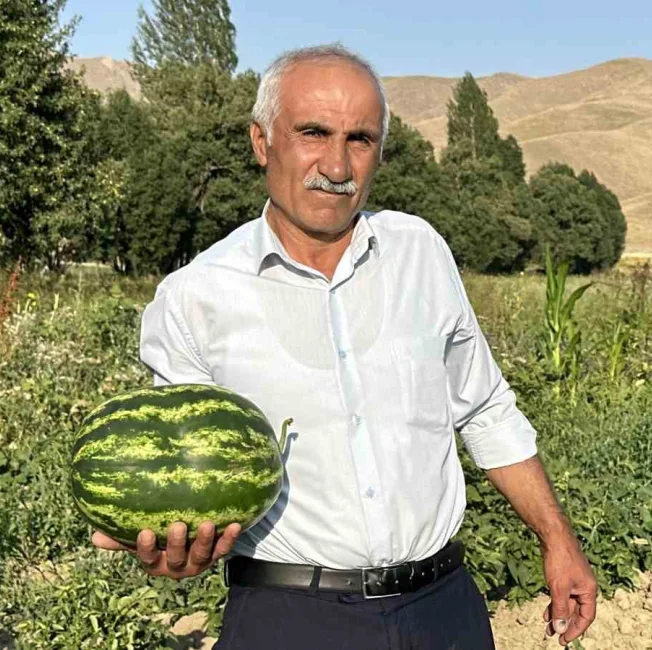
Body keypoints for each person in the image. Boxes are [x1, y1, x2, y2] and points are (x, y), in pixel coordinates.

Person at [91, 43, 597, 649]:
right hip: (290, 619)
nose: (336, 164)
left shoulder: (421, 253)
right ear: (261, 143)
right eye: (312, 132)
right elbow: (181, 473)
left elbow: (485, 408)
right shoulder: (196, 295)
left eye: (360, 139)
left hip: (444, 611)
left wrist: (559, 541)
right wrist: (175, 546)